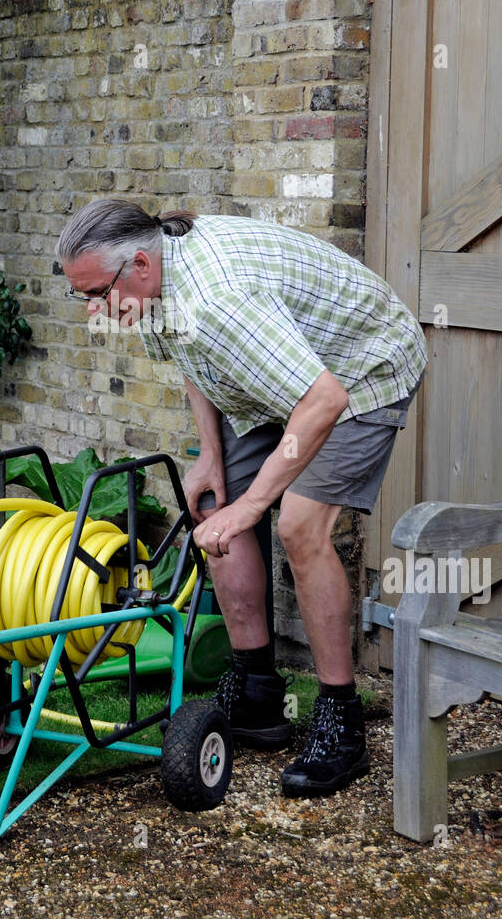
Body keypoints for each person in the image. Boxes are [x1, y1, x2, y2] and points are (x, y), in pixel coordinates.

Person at [57, 199, 427, 798]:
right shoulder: (152, 291)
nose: (94, 312)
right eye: (84, 297)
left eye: (97, 293)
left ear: (141, 265)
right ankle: (257, 691)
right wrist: (210, 456)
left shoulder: (217, 305)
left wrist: (255, 504)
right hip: (287, 372)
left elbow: (323, 401)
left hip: (360, 371)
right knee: (211, 503)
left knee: (298, 527)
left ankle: (341, 720)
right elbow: (193, 363)